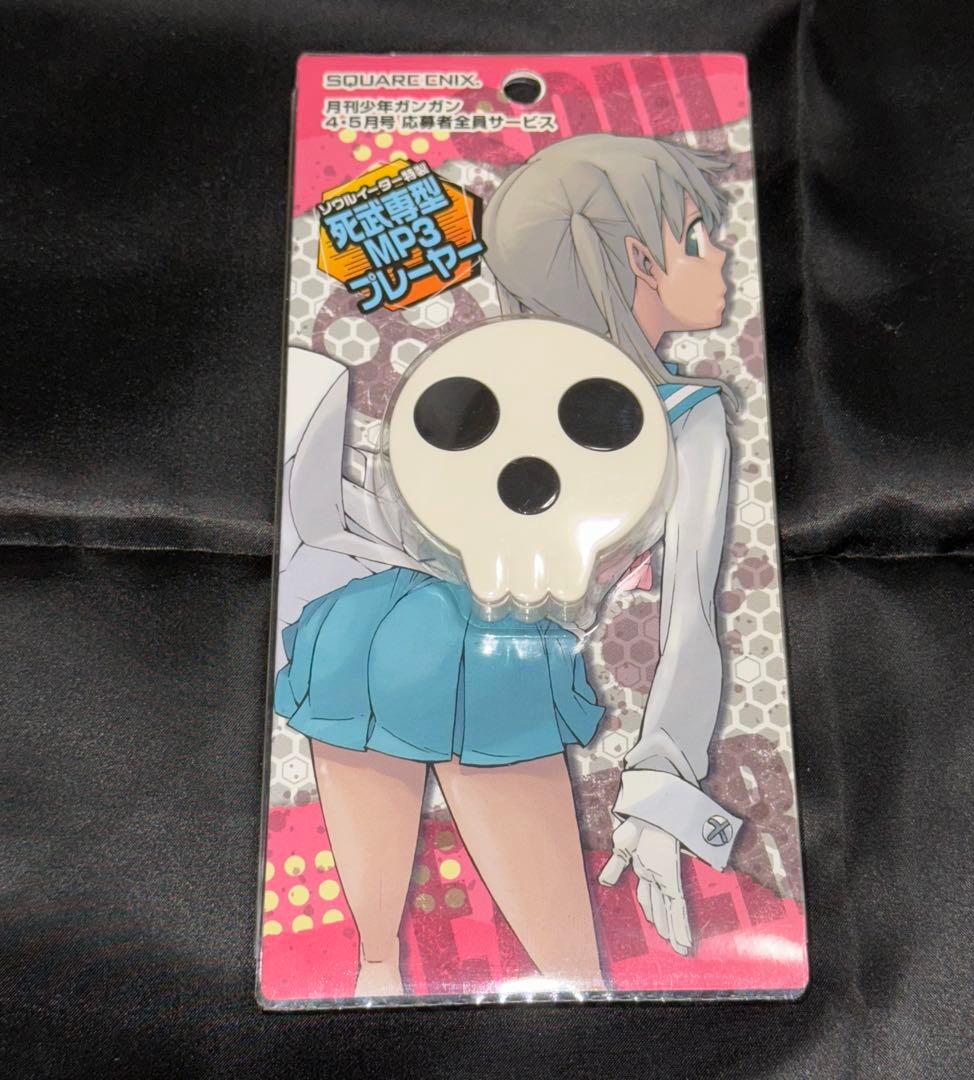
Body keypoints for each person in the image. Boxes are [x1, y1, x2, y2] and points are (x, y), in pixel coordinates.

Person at [274, 133, 742, 997]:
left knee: (367, 968)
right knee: (574, 979)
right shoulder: (686, 416)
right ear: (638, 260)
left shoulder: (485, 368)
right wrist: (662, 791)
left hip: (353, 630)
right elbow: (690, 624)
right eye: (694, 235)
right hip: (492, 655)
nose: (719, 253)